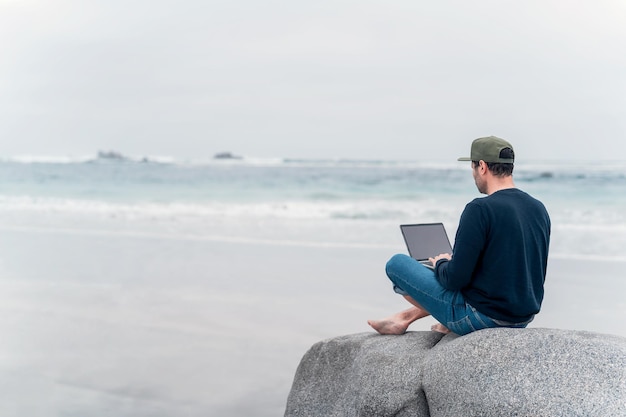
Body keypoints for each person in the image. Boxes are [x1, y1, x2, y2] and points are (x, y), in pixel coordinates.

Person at [368, 136, 551, 336]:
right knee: (463, 270)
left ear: (482, 166)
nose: (473, 174)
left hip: (481, 318)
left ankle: (438, 320)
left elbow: (455, 280)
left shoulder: (480, 209)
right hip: (521, 318)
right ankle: (405, 317)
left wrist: (441, 264)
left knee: (397, 265)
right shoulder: (538, 208)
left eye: (473, 167)